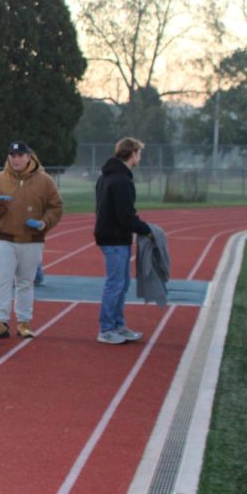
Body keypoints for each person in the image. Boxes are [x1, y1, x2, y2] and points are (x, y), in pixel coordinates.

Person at [0, 141, 64, 339]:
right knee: (2, 281)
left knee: (26, 283)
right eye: (12, 155)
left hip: (32, 239)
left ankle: (24, 323)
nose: (16, 159)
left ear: (28, 157)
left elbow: (56, 207)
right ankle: (1, 322)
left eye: (20, 155)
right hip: (3, 238)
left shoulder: (45, 181)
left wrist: (44, 223)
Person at [94, 137, 152, 344]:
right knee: (116, 284)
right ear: (133, 153)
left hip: (113, 236)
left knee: (122, 283)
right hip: (114, 239)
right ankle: (107, 328)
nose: (140, 157)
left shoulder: (107, 176)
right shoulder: (121, 180)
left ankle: (118, 325)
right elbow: (125, 215)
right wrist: (147, 230)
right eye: (139, 153)